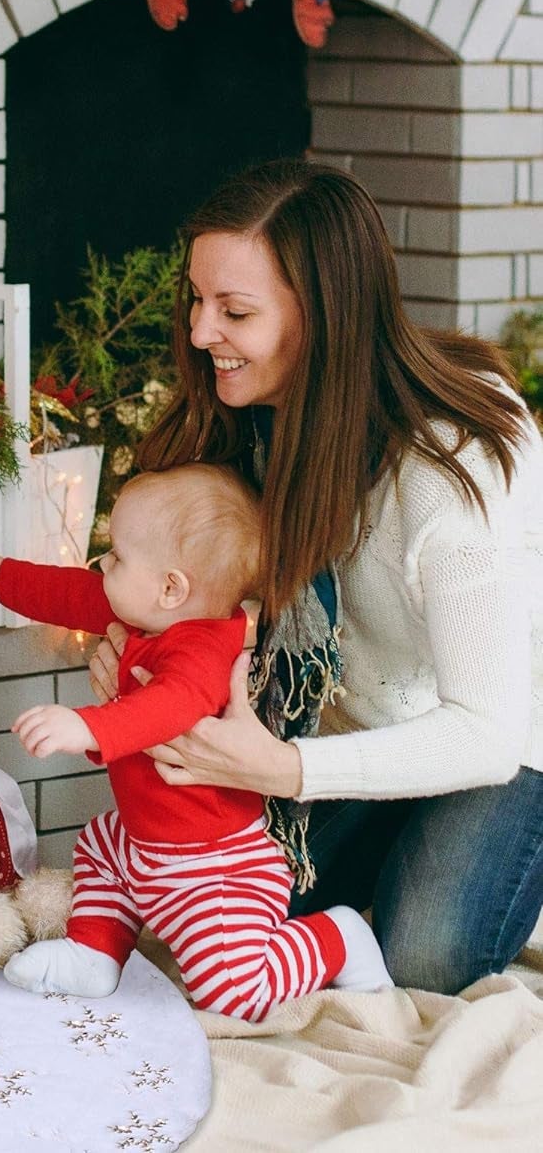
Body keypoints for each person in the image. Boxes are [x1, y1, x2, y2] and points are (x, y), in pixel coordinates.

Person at [85, 158, 543, 996]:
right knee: (236, 919)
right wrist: (131, 643)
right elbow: (184, 587)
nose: (197, 333)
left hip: (505, 740)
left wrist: (285, 773)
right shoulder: (246, 422)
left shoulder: (455, 464)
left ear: (326, 316)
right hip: (346, 724)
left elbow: (485, 729)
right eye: (198, 299)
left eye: (235, 311)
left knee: (425, 960)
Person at [0, 465, 392, 1022]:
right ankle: (95, 952)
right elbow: (72, 593)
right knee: (99, 849)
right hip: (142, 842)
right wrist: (1, 573)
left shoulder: (202, 652)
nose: (102, 567)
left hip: (214, 864)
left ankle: (338, 939)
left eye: (116, 557)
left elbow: (168, 708)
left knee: (231, 994)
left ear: (170, 587)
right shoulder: (150, 618)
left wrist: (88, 726)